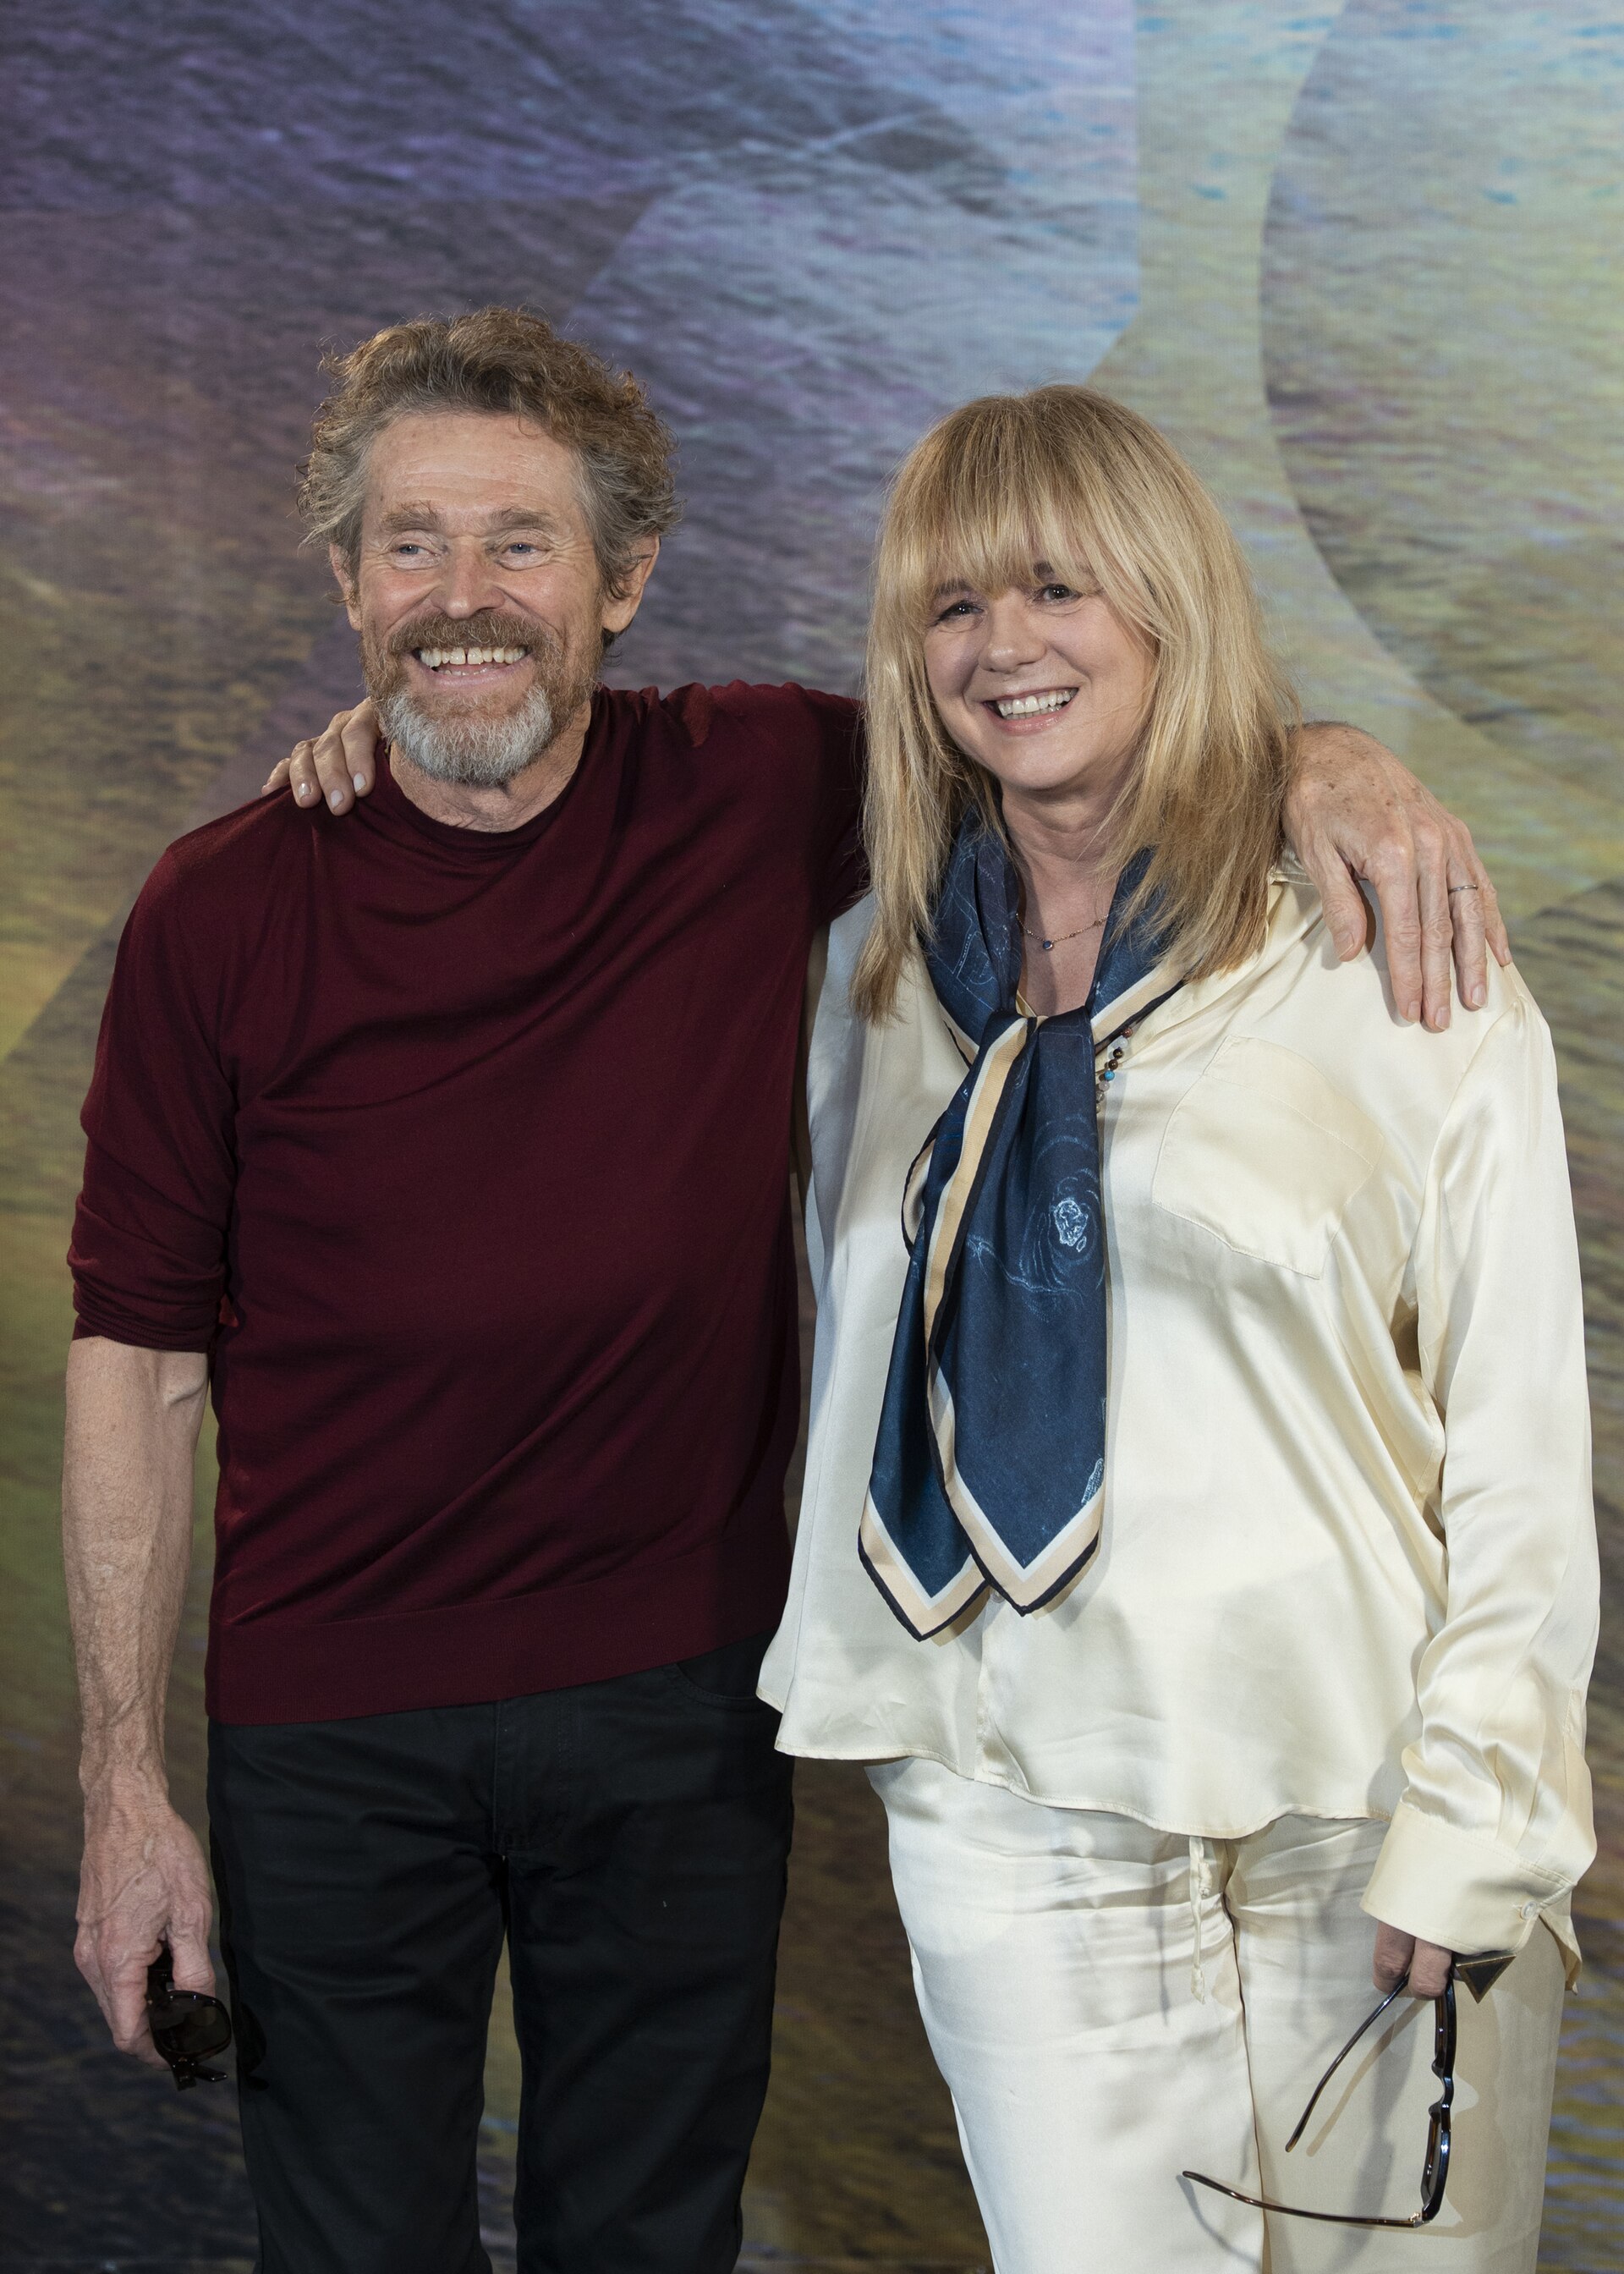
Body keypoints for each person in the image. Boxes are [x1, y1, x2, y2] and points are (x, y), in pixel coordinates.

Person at [65, 307, 1506, 2274]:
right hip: (331, 1722)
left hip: (673, 1705)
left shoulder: (764, 795)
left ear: (626, 579)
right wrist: (130, 1795)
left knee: (651, 2245)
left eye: (522, 546)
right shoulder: (219, 907)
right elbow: (136, 1363)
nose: (462, 599)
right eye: (411, 547)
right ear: (343, 579)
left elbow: (1066, 732)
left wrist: (1323, 758)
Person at [759, 384, 1597, 2271]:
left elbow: (1526, 1444)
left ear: (1170, 603)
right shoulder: (870, 978)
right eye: (952, 605)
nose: (1003, 647)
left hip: (1355, 1802)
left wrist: (1477, 1818)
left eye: (1060, 587)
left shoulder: (1384, 943)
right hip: (1011, 1807)